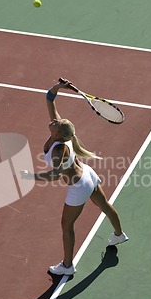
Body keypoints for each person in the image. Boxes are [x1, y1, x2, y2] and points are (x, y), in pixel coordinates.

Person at [21, 78, 128, 275]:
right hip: (88, 175)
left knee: (67, 225)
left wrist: (30, 176)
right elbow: (50, 99)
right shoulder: (63, 132)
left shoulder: (58, 150)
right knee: (104, 204)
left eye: (56, 123)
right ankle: (119, 234)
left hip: (79, 187)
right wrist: (58, 87)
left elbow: (54, 175)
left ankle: (67, 266)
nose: (53, 121)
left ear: (58, 135)